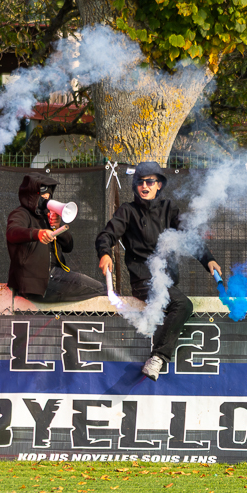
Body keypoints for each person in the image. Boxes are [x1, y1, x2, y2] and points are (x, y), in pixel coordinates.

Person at [96, 161, 222, 380]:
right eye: (140, 182)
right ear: (135, 185)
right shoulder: (127, 211)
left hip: (167, 281)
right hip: (143, 281)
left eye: (150, 181)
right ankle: (158, 358)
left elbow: (189, 237)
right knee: (183, 304)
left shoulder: (169, 209)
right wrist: (105, 253)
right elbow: (106, 235)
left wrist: (208, 259)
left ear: (159, 185)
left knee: (178, 304)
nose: (145, 186)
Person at [6, 174, 104, 303]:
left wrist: (57, 227)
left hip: (52, 277)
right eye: (43, 197)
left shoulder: (46, 216)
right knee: (102, 290)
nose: (46, 200)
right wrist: (37, 233)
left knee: (98, 292)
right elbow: (12, 232)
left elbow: (69, 246)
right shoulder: (21, 213)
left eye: (48, 196)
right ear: (32, 196)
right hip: (38, 282)